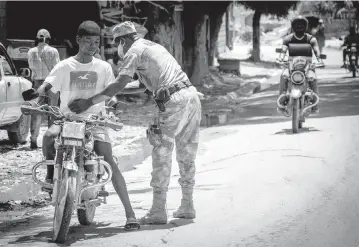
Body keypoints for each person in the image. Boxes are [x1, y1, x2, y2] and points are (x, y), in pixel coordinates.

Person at [68, 21, 202, 225]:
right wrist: (111, 92)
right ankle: (187, 205)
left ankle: (158, 210)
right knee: (187, 155)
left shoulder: (134, 51)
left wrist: (90, 100)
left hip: (172, 102)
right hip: (191, 97)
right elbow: (140, 84)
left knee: (161, 154)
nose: (118, 49)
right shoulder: (154, 47)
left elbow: (120, 82)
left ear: (123, 40)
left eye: (117, 44)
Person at [34, 21, 140, 230]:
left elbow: (111, 93)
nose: (93, 46)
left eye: (96, 42)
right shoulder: (65, 66)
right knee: (47, 137)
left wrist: (112, 102)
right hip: (66, 119)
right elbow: (48, 83)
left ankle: (130, 214)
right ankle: (49, 175)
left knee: (107, 157)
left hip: (94, 121)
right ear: (78, 40)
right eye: (88, 41)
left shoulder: (103, 67)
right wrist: (38, 92)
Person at [277, 16, 323, 114]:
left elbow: (316, 50)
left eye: (302, 24)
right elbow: (283, 50)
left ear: (305, 26)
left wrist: (319, 60)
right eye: (297, 24)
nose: (299, 26)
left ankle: (315, 106)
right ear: (293, 26)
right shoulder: (287, 39)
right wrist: (280, 58)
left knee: (313, 79)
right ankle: (281, 104)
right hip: (291, 65)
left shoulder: (311, 39)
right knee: (283, 77)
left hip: (308, 66)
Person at [27, 29, 60, 149]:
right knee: (52, 111)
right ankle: (51, 138)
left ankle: (33, 140)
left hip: (37, 84)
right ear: (48, 39)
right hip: (51, 84)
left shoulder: (31, 52)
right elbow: (57, 68)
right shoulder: (53, 51)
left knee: (36, 112)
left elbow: (30, 66)